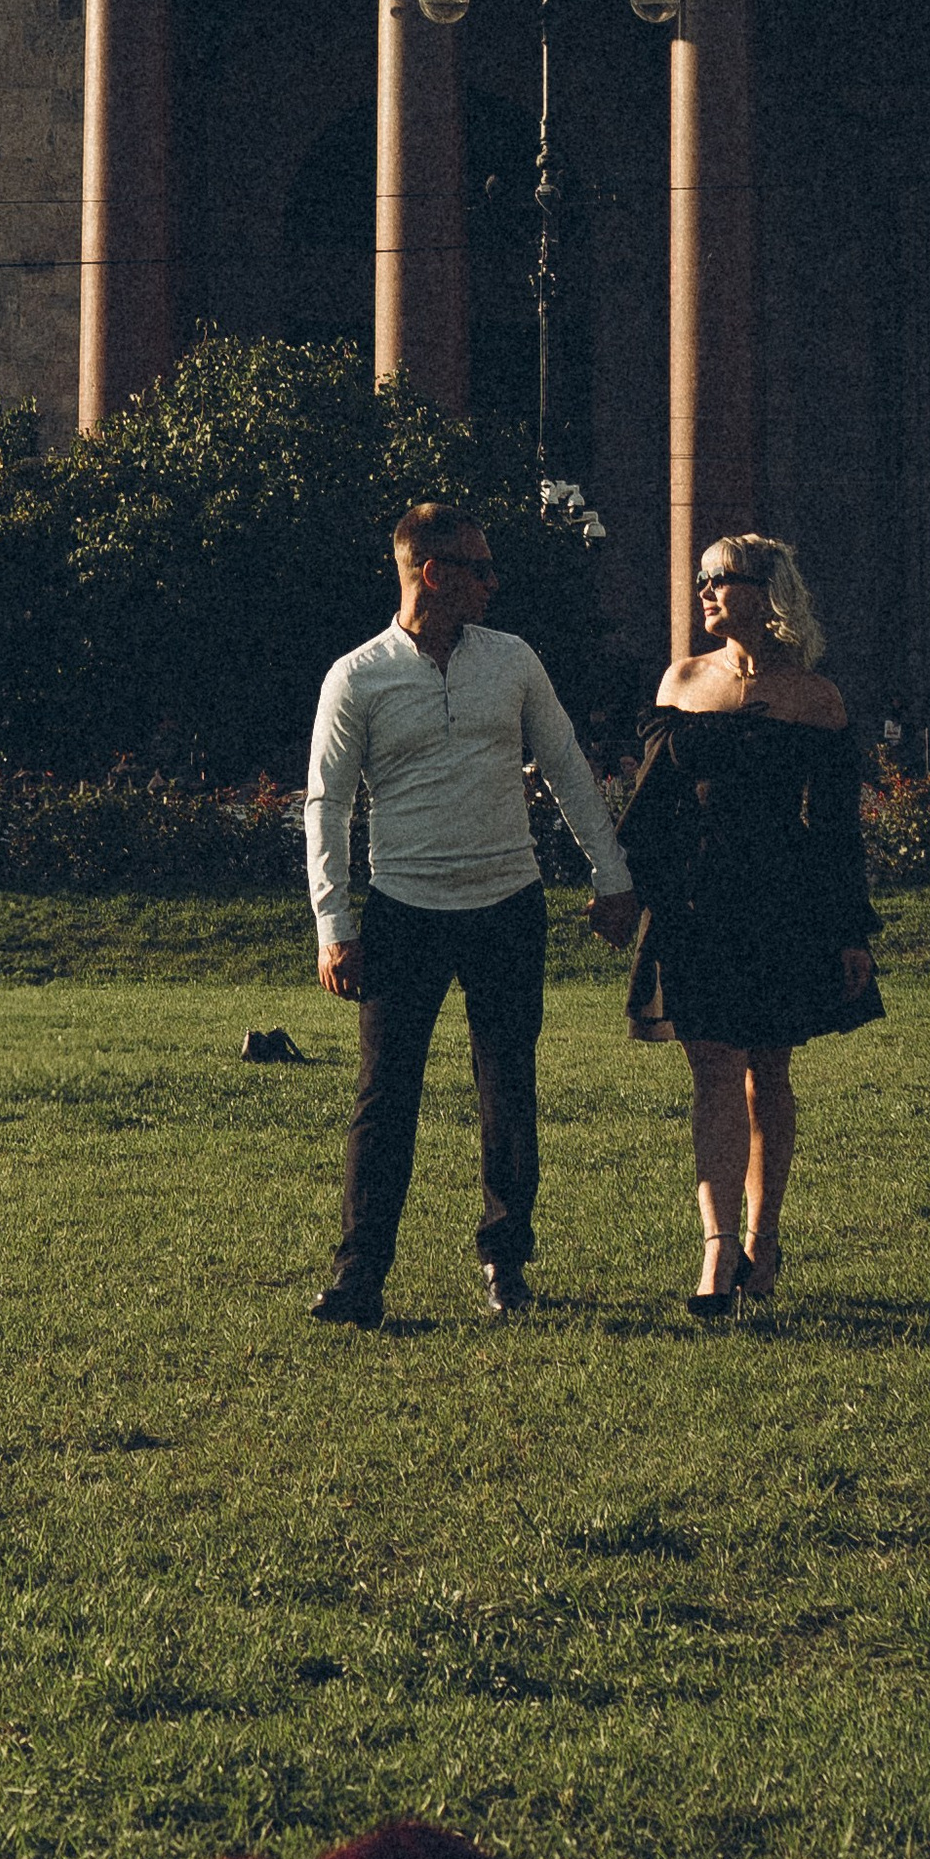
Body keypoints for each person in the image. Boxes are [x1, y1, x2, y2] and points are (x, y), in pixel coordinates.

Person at [305, 503, 636, 1327]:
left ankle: (505, 1263)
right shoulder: (357, 675)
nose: (495, 582)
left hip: (506, 905)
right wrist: (333, 925)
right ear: (433, 573)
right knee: (385, 1098)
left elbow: (565, 765)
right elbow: (326, 803)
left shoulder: (513, 661)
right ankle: (359, 1277)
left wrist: (612, 874)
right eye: (480, 569)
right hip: (403, 910)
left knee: (508, 1089)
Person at [618, 534, 880, 1312]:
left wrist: (849, 932)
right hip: (697, 905)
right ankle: (715, 1253)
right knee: (711, 1075)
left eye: (719, 580)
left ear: (767, 591)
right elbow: (650, 809)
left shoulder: (817, 697)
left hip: (785, 904)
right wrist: (623, 891)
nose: (703, 591)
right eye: (700, 579)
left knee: (769, 1071)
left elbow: (837, 833)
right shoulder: (683, 679)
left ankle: (763, 1246)